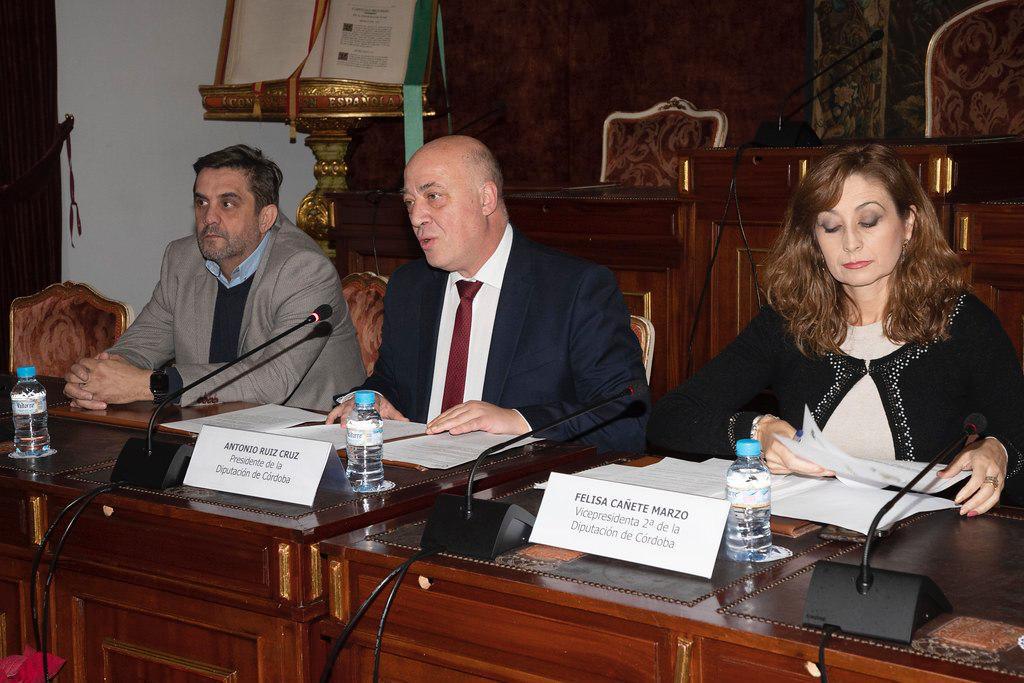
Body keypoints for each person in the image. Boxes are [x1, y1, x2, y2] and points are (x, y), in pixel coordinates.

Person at [647, 143, 1022, 516]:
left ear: (909, 224)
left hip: (926, 543)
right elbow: (670, 418)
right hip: (809, 536)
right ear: (814, 239)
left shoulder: (958, 320)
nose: (850, 242)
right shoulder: (790, 321)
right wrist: (758, 431)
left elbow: (1016, 432)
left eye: (868, 221)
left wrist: (997, 449)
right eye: (831, 226)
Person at [326, 135, 648, 452]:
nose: (416, 217)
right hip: (415, 486)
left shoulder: (574, 289)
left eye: (433, 196)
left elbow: (625, 419)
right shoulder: (410, 287)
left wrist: (518, 422)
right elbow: (392, 382)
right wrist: (372, 399)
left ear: (486, 199)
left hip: (515, 494)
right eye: (410, 202)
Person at [63, 144, 365, 410]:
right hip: (211, 428)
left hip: (306, 440)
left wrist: (148, 385)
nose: (209, 217)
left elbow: (271, 380)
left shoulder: (304, 269)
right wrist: (100, 375)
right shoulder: (182, 260)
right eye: (202, 202)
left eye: (227, 203)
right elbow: (142, 344)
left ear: (266, 217)